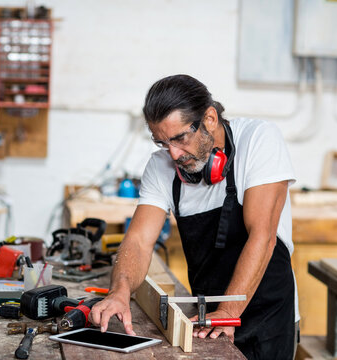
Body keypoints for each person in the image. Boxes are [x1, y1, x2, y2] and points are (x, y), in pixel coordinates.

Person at [89, 74, 299, 359]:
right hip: (205, 321)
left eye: (180, 138)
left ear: (210, 119)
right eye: (162, 142)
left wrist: (228, 312)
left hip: (267, 317)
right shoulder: (160, 166)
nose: (173, 154)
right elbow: (138, 240)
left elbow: (262, 236)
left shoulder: (259, 140)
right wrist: (119, 291)